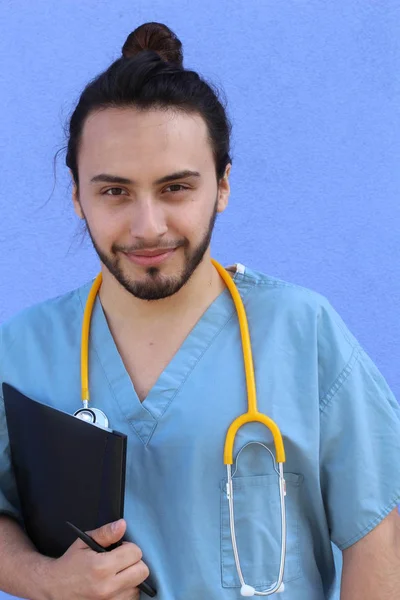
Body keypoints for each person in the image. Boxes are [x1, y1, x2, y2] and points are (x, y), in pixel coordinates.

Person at [0, 21, 399, 600]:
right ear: (77, 194)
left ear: (223, 184)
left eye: (175, 188)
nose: (147, 227)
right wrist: (42, 579)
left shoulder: (302, 333)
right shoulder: (26, 348)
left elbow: (378, 537)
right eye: (114, 191)